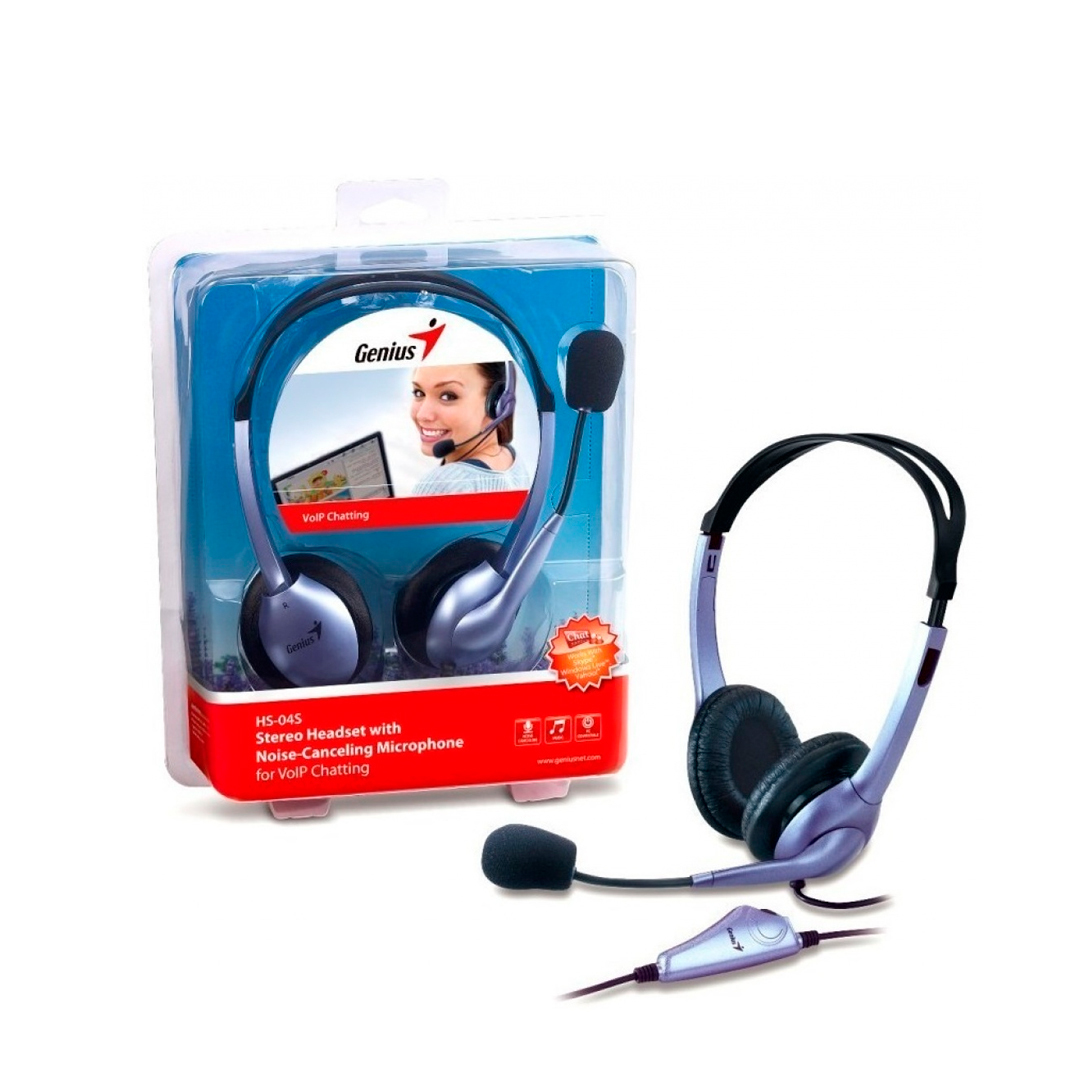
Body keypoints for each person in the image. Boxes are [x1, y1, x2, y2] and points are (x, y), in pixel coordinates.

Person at [410, 362, 531, 495]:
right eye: (419, 393)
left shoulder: (440, 485)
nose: (422, 415)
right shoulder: (513, 461)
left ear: (497, 404)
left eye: (448, 396)